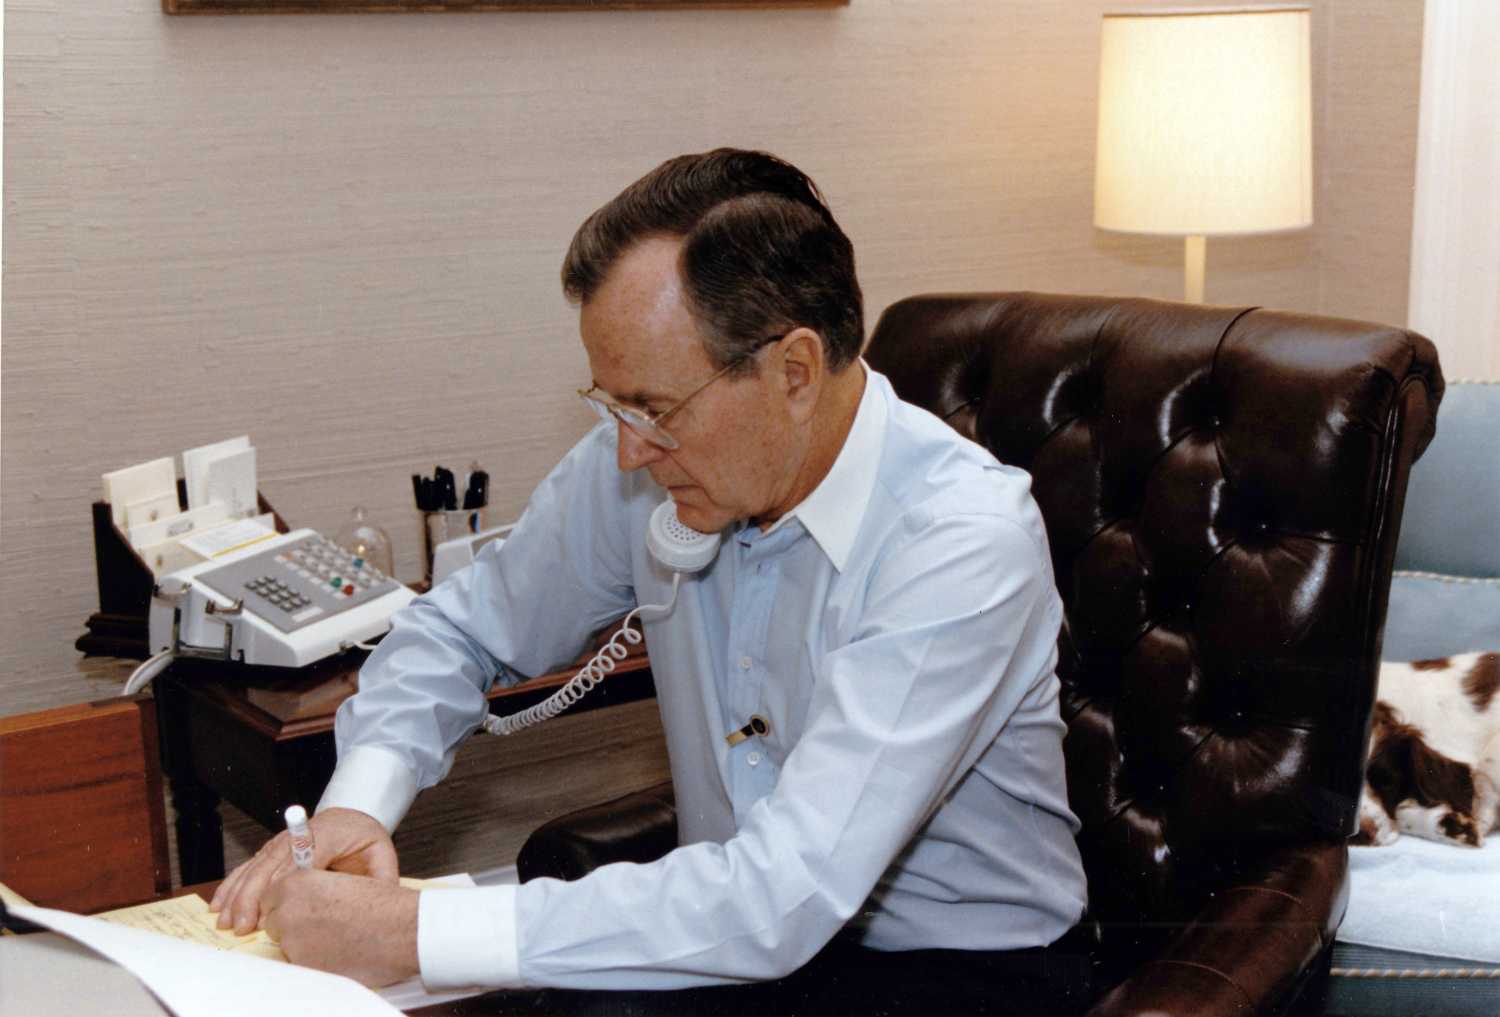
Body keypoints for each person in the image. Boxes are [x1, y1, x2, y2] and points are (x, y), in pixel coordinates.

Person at [210, 148, 1090, 1014]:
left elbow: (785, 894)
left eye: (656, 409)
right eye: (614, 405)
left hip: (962, 967)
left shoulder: (960, 540)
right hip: (741, 942)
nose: (629, 449)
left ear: (793, 371)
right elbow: (461, 629)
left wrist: (414, 931)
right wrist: (358, 805)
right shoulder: (645, 463)